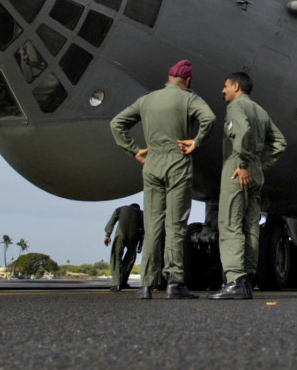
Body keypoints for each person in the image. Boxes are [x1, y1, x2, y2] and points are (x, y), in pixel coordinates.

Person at [110, 59, 216, 299]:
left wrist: (134, 150)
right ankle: (174, 282)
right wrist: (196, 141)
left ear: (169, 78)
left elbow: (117, 123)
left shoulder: (147, 99)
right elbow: (209, 119)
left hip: (152, 162)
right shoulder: (190, 98)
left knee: (152, 226)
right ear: (187, 81)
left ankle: (146, 284)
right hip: (177, 161)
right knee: (175, 225)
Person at [210, 72, 287, 300]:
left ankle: (235, 280)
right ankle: (248, 279)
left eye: (225, 86)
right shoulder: (260, 111)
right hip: (255, 173)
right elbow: (280, 143)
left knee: (230, 224)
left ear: (236, 86)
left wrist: (243, 164)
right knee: (251, 226)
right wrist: (259, 166)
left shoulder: (236, 107)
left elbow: (242, 133)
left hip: (237, 169)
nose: (223, 91)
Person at [104, 203, 143, 291]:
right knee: (130, 259)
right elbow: (144, 230)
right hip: (134, 236)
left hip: (120, 234)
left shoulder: (120, 209)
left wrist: (108, 235)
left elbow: (112, 221)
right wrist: (140, 244)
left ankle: (116, 284)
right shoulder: (141, 213)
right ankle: (123, 282)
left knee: (116, 257)